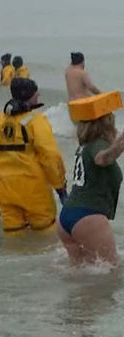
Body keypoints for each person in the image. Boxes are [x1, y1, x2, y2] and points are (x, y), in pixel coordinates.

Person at [0, 78, 67, 233]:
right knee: (45, 239)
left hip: (6, 195)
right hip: (36, 194)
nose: (38, 94)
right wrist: (60, 188)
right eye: (35, 92)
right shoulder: (36, 122)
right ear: (28, 95)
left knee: (14, 243)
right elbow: (51, 157)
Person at [58, 103, 124, 265]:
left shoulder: (84, 146)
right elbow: (101, 159)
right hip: (88, 217)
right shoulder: (99, 144)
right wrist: (117, 149)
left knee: (80, 273)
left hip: (67, 216)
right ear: (107, 123)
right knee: (111, 272)